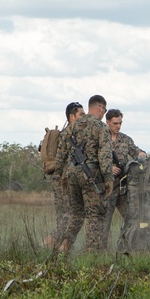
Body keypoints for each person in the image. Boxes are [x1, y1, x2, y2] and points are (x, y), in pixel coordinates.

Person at [59, 95, 114, 252]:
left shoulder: (74, 126)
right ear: (99, 108)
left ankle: (64, 245)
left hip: (72, 174)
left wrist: (62, 175)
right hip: (90, 176)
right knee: (94, 216)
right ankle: (92, 254)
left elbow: (63, 152)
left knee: (76, 214)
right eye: (104, 110)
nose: (104, 113)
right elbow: (104, 156)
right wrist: (109, 178)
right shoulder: (101, 127)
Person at [102, 109, 147, 251]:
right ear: (107, 122)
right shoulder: (100, 139)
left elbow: (135, 151)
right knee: (103, 223)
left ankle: (127, 248)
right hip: (106, 188)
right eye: (115, 123)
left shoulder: (125, 139)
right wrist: (108, 168)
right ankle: (100, 254)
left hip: (122, 188)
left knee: (132, 218)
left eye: (120, 123)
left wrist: (141, 154)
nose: (118, 126)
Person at [46, 101, 84, 248]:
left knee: (67, 216)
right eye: (81, 114)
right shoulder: (68, 134)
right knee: (66, 216)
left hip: (65, 181)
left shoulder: (74, 133)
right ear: (72, 117)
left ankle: (60, 246)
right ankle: (49, 244)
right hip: (62, 181)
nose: (84, 117)